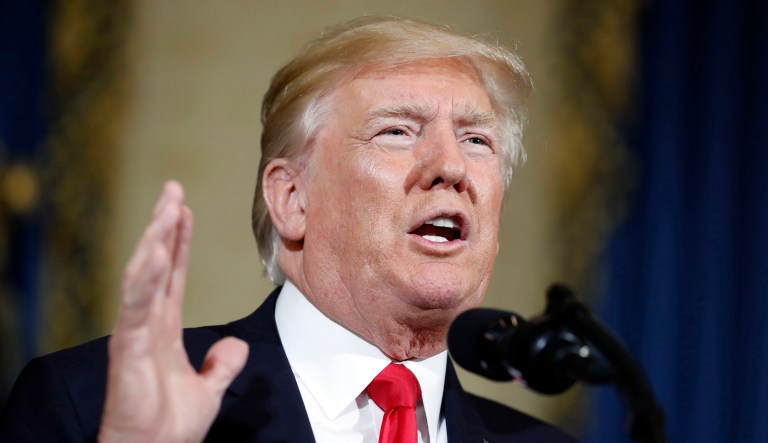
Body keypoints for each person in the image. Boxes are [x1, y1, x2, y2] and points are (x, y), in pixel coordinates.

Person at [0, 16, 577, 442]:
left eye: (477, 141)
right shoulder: (87, 403)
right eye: (397, 131)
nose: (452, 167)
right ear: (292, 198)